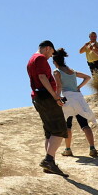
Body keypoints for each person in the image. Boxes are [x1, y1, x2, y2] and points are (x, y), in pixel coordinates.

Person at [27, 40, 68, 177]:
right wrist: (56, 96)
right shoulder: (40, 58)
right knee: (59, 129)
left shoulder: (31, 59)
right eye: (51, 53)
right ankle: (49, 160)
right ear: (47, 48)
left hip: (37, 96)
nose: (51, 56)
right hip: (45, 96)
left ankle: (51, 163)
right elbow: (42, 77)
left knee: (49, 131)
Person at [52, 48, 98, 158]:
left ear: (55, 61)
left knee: (67, 125)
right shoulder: (72, 71)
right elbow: (87, 77)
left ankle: (68, 149)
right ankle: (92, 148)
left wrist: (57, 97)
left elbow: (59, 86)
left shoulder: (56, 72)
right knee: (84, 124)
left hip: (67, 98)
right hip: (78, 98)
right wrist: (78, 87)